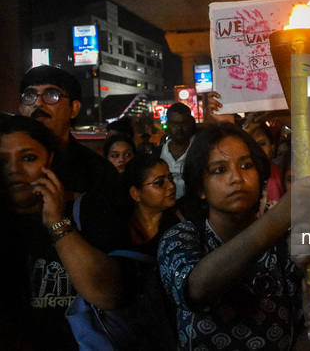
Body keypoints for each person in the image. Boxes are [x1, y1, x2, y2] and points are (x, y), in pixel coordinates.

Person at [157, 122, 310, 350]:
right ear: (200, 189)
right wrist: (280, 218)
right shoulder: (181, 238)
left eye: (246, 165)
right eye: (220, 170)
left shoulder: (285, 244)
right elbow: (198, 291)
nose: (236, 179)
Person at [0, 115, 127, 350]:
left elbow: (107, 295)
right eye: (2, 161)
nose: (14, 170)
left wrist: (56, 222)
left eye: (28, 158)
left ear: (49, 158)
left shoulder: (88, 210)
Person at [19, 65, 123, 202]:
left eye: (51, 95)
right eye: (29, 95)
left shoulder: (97, 172)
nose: (38, 103)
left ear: (74, 109)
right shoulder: (6, 165)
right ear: (20, 108)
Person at [123, 153, 180, 255]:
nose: (171, 186)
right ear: (135, 193)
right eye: (159, 182)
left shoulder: (179, 224)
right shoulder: (118, 228)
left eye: (171, 178)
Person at [154, 102, 197, 199]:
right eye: (174, 124)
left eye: (184, 123)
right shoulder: (157, 154)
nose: (179, 128)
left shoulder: (199, 152)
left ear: (190, 123)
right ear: (168, 124)